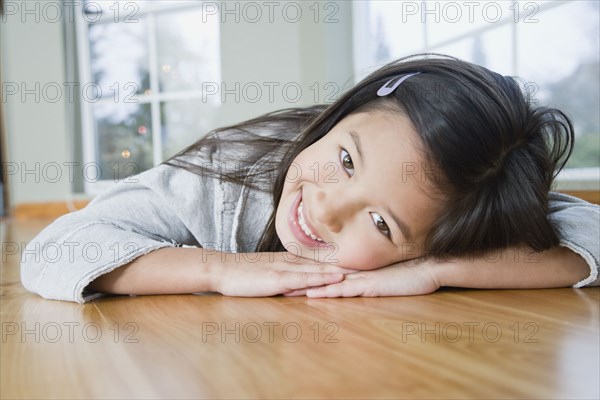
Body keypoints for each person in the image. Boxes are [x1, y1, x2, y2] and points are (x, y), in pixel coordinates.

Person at [21, 54, 599, 303]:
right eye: (347, 160)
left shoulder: (467, 203)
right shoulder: (225, 178)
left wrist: (435, 269)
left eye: (381, 222)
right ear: (349, 110)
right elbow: (55, 250)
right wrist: (219, 269)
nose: (326, 211)